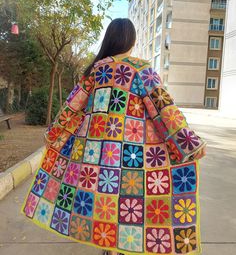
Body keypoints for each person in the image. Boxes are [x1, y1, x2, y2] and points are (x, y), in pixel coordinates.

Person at [21, 18, 207, 255]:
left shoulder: (94, 72)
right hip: (132, 159)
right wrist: (189, 142)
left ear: (109, 39)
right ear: (132, 40)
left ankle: (108, 247)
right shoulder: (141, 71)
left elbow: (70, 108)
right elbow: (164, 109)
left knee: (103, 206)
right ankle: (118, 248)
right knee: (131, 206)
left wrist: (53, 134)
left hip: (95, 159)